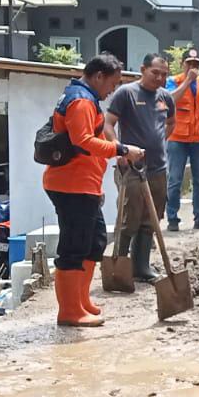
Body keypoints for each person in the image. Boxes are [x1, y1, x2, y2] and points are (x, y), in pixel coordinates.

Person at [42, 53, 144, 328]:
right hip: (71, 185)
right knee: (74, 247)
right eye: (112, 83)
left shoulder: (87, 99)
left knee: (95, 241)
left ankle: (81, 300)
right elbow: (84, 141)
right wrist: (121, 149)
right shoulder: (80, 101)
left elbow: (94, 138)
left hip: (84, 184)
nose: (112, 90)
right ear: (99, 76)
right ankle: (69, 311)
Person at [104, 52, 176, 283]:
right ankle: (119, 267)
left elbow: (171, 122)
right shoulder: (127, 93)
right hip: (132, 168)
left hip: (158, 168)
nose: (160, 78)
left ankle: (141, 267)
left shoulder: (165, 96)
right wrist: (119, 150)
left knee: (151, 218)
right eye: (155, 73)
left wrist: (160, 141)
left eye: (164, 74)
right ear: (143, 69)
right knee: (129, 217)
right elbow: (108, 123)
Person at [165, 47, 199, 232]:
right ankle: (172, 219)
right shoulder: (173, 81)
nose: (193, 67)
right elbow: (170, 100)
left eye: (196, 64)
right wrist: (187, 81)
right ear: (183, 64)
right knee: (175, 180)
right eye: (190, 63)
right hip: (177, 138)